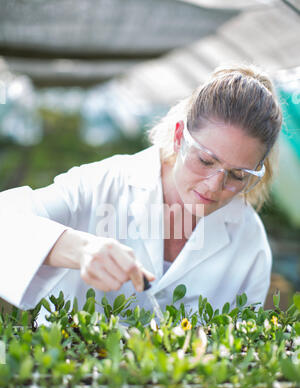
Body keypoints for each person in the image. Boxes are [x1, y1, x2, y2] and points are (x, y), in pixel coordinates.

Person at [0, 64, 282, 324]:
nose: (213, 185)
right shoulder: (103, 183)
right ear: (178, 136)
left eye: (238, 175)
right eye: (206, 161)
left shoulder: (249, 241)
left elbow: (241, 348)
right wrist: (79, 249)